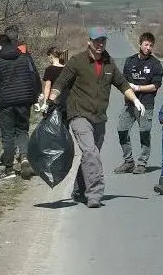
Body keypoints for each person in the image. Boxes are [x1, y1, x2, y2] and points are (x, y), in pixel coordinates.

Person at [46, 26, 146, 208]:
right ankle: (95, 194)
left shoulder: (109, 63)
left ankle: (78, 189)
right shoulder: (77, 61)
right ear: (89, 42)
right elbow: (61, 82)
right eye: (97, 40)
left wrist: (135, 101)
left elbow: (122, 84)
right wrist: (50, 100)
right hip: (78, 114)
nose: (100, 44)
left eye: (103, 40)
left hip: (99, 117)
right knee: (91, 152)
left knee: (90, 155)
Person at [0, 25, 42, 180]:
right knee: (22, 131)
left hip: (4, 102)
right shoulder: (24, 55)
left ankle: (9, 169)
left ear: (0, 44)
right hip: (24, 99)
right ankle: (25, 158)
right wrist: (36, 96)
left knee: (7, 135)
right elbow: (34, 76)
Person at [114, 32, 163, 175]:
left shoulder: (155, 64)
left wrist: (138, 88)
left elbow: (155, 85)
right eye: (146, 44)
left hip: (146, 104)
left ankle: (142, 163)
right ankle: (128, 161)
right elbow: (124, 82)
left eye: (151, 45)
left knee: (144, 133)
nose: (149, 48)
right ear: (140, 44)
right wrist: (129, 89)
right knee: (121, 129)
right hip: (130, 104)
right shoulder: (130, 61)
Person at [39, 46, 69, 120]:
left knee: (51, 124)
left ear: (50, 56)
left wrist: (45, 102)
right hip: (65, 101)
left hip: (54, 101)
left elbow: (47, 87)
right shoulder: (67, 69)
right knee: (64, 125)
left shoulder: (50, 69)